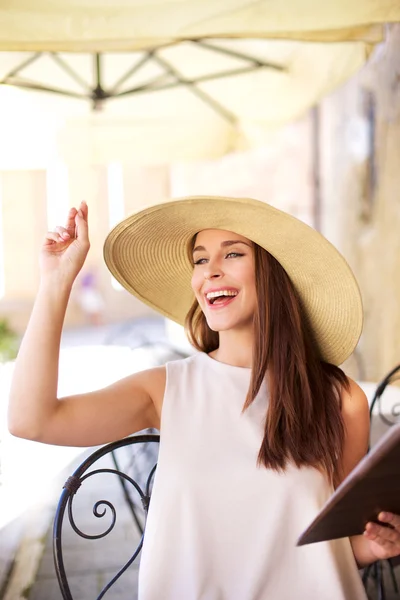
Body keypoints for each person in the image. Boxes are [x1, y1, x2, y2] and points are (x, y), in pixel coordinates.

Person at [8, 196, 400, 600]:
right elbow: (31, 421)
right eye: (199, 260)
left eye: (232, 254)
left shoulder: (340, 398)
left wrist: (371, 547)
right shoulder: (165, 390)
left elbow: (331, 544)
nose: (210, 271)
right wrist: (56, 285)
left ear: (273, 273)